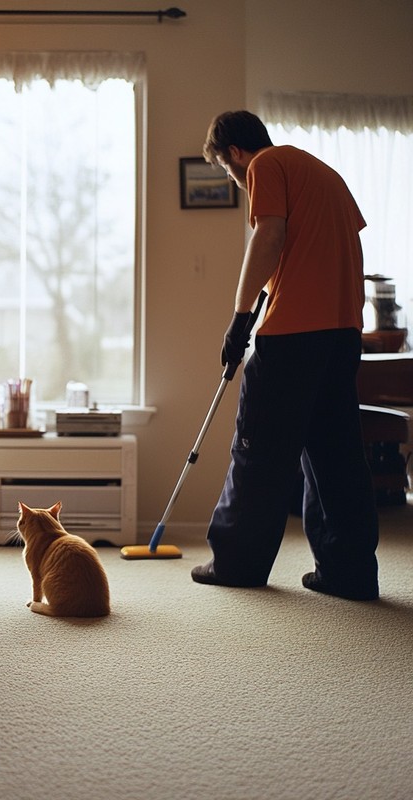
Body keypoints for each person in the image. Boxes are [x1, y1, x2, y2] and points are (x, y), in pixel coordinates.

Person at [191, 110, 379, 601]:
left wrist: (238, 318)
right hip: (342, 334)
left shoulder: (266, 165)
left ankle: (236, 563)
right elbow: (324, 251)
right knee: (336, 456)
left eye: (229, 172)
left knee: (258, 451)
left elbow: (269, 235)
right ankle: (349, 571)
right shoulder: (322, 173)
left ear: (234, 153)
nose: (237, 182)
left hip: (295, 334)